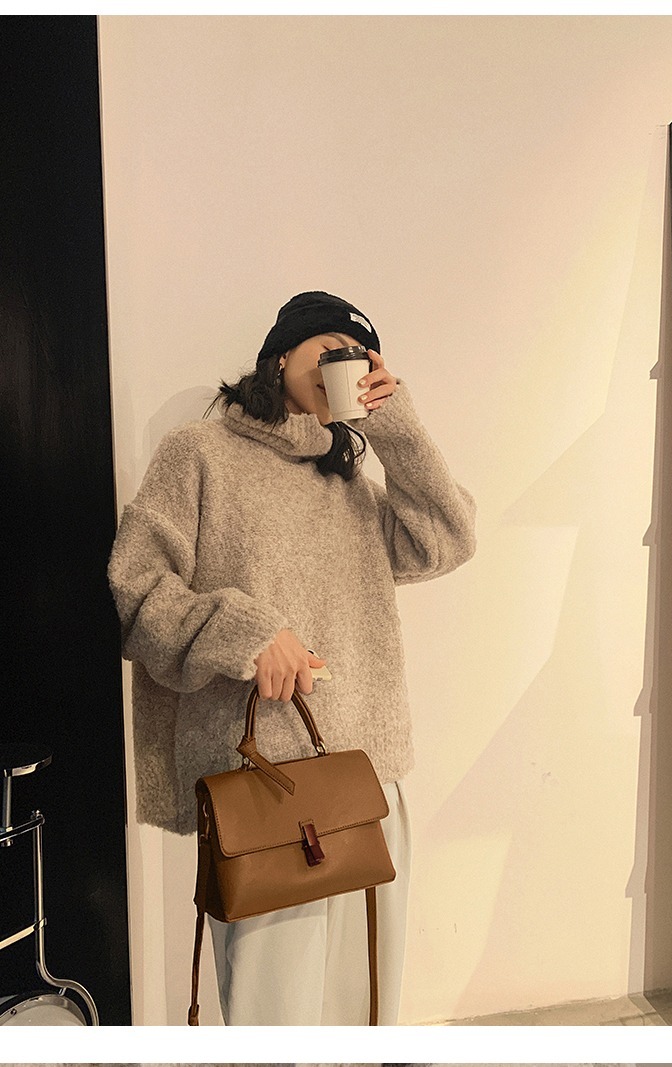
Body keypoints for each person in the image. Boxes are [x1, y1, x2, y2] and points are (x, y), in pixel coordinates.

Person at [108, 291, 476, 1025]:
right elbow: (136, 589)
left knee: (366, 1012)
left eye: (359, 356)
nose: (345, 363)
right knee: (274, 1020)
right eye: (329, 349)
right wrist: (243, 629)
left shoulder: (352, 484)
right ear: (279, 357)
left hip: (368, 776)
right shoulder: (199, 454)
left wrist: (397, 425)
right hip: (262, 787)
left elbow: (447, 539)